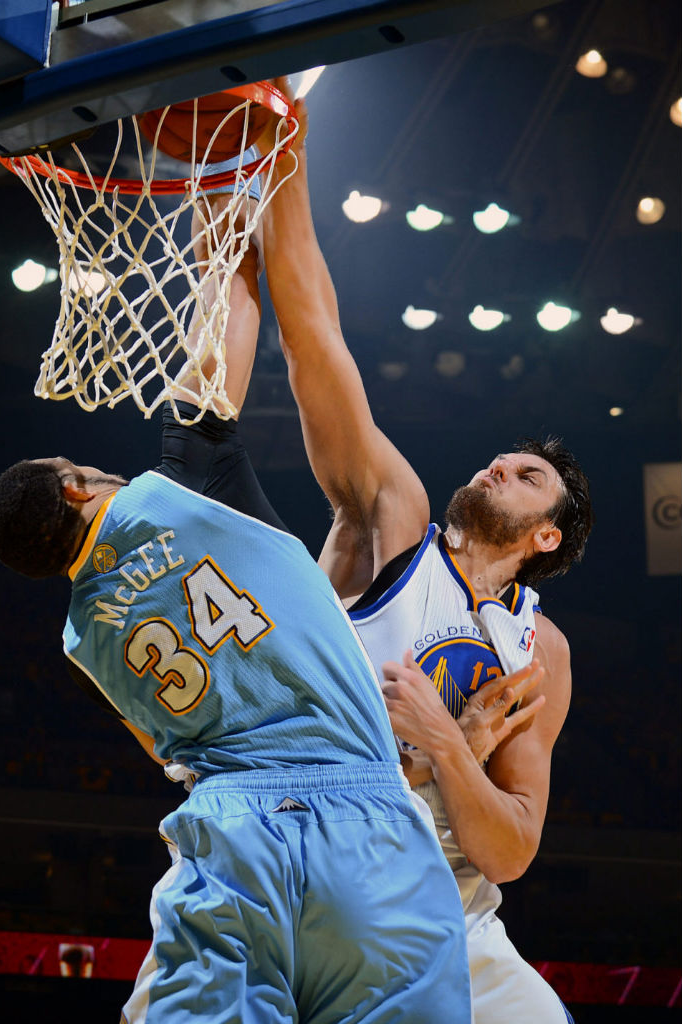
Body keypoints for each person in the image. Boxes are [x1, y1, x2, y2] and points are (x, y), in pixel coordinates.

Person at [0, 175, 473, 1022]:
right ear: (72, 491)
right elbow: (227, 322)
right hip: (361, 818)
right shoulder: (175, 490)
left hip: (229, 835)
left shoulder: (82, 641)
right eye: (79, 467)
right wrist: (226, 206)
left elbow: (163, 750)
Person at [262, 81, 593, 1024]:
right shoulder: (394, 524)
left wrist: (449, 745)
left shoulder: (543, 653)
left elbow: (512, 850)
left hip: (452, 911)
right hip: (315, 878)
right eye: (503, 457)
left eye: (527, 475)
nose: (499, 465)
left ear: (544, 538)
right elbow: (314, 337)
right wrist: (288, 138)